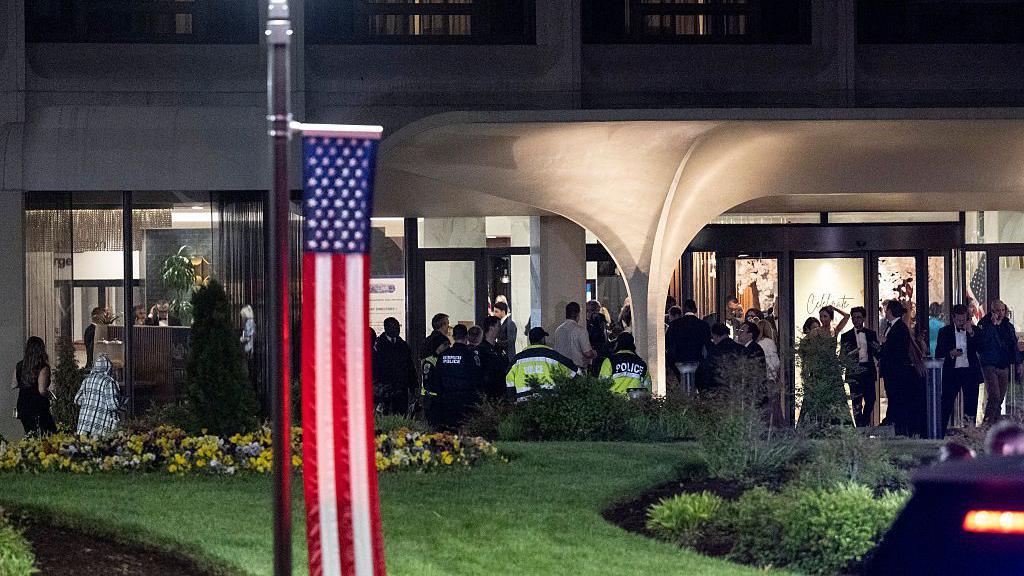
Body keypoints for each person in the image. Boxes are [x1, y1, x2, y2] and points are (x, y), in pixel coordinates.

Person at [935, 304, 985, 435]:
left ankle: (970, 433)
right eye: (959, 320)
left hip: (970, 372)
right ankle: (939, 432)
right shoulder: (944, 332)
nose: (961, 323)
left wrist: (971, 333)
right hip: (953, 372)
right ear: (953, 318)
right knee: (946, 403)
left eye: (964, 320)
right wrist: (951, 353)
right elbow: (938, 353)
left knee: (971, 404)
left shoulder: (974, 330)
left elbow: (981, 348)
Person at [976, 298, 1022, 425]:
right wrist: (992, 325)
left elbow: (1013, 344)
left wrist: (1018, 363)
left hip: (1003, 364)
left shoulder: (1007, 325)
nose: (1001, 313)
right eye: (997, 310)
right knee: (994, 395)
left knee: (1000, 397)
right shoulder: (984, 324)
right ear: (992, 311)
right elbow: (982, 343)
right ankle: (987, 422)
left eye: (1002, 310)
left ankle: (994, 423)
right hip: (989, 364)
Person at [429, 324, 483, 430]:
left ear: (453, 337)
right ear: (467, 336)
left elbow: (437, 378)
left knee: (447, 431)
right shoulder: (470, 355)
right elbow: (477, 378)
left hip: (446, 400)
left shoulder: (443, 355)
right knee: (463, 430)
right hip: (465, 401)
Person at [506, 327, 579, 400]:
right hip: (548, 402)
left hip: (524, 403)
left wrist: (512, 399)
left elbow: (509, 381)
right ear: (543, 339)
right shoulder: (553, 356)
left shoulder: (517, 360)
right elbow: (573, 372)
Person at [878, 299, 917, 436]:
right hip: (892, 370)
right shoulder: (894, 326)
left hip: (896, 371)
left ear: (890, 311)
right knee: (893, 397)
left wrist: (883, 344)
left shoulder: (899, 328)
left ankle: (895, 424)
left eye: (887, 310)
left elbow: (898, 350)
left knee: (896, 397)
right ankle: (892, 422)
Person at [840, 306, 880, 427]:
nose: (856, 320)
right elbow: (843, 356)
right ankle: (860, 428)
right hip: (854, 371)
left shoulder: (871, 334)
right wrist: (850, 355)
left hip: (868, 369)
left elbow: (877, 352)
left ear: (863, 318)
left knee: (871, 399)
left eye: (858, 318)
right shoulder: (846, 336)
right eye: (854, 318)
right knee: (856, 402)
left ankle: (864, 421)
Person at [372, 317, 418, 416]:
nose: (397, 329)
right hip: (385, 389)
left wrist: (413, 385)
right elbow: (375, 368)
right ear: (386, 328)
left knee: (402, 415)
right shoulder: (379, 345)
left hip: (401, 388)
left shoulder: (403, 345)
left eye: (398, 326)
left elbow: (409, 366)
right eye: (394, 327)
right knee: (385, 416)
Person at [14, 336, 55, 435]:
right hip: (38, 406)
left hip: (23, 405)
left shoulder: (19, 365)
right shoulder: (43, 368)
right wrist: (50, 395)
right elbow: (41, 390)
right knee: (49, 434)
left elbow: (14, 384)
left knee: (30, 434)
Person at [75, 354, 122, 437]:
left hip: (85, 423)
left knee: (83, 447)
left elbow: (77, 400)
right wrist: (122, 405)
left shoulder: (87, 380)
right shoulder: (108, 382)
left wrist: (90, 404)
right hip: (101, 425)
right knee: (99, 447)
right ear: (109, 368)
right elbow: (113, 406)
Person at [666, 300, 712, 378]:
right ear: (695, 310)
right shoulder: (703, 325)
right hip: (697, 361)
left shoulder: (674, 324)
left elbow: (667, 343)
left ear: (684, 310)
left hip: (679, 362)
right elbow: (708, 345)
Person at [698, 322, 745, 392]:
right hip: (738, 389)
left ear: (716, 336)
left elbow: (707, 373)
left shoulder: (714, 351)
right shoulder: (741, 348)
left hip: (719, 389)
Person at [552, 302, 595, 372]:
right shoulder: (581, 330)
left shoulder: (558, 330)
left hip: (561, 369)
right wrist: (594, 353)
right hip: (576, 369)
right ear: (578, 315)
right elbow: (587, 353)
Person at [476, 316, 509, 400]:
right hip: (488, 393)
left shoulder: (500, 349)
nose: (500, 328)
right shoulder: (481, 349)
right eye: (498, 325)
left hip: (501, 392)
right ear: (491, 328)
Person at [420, 339, 449, 419]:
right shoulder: (429, 361)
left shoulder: (444, 358)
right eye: (445, 345)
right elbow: (427, 381)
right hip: (431, 398)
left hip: (441, 397)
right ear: (438, 346)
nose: (447, 347)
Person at [585, 300, 612, 373]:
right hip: (600, 352)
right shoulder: (601, 319)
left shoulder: (595, 321)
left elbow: (593, 336)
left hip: (595, 352)